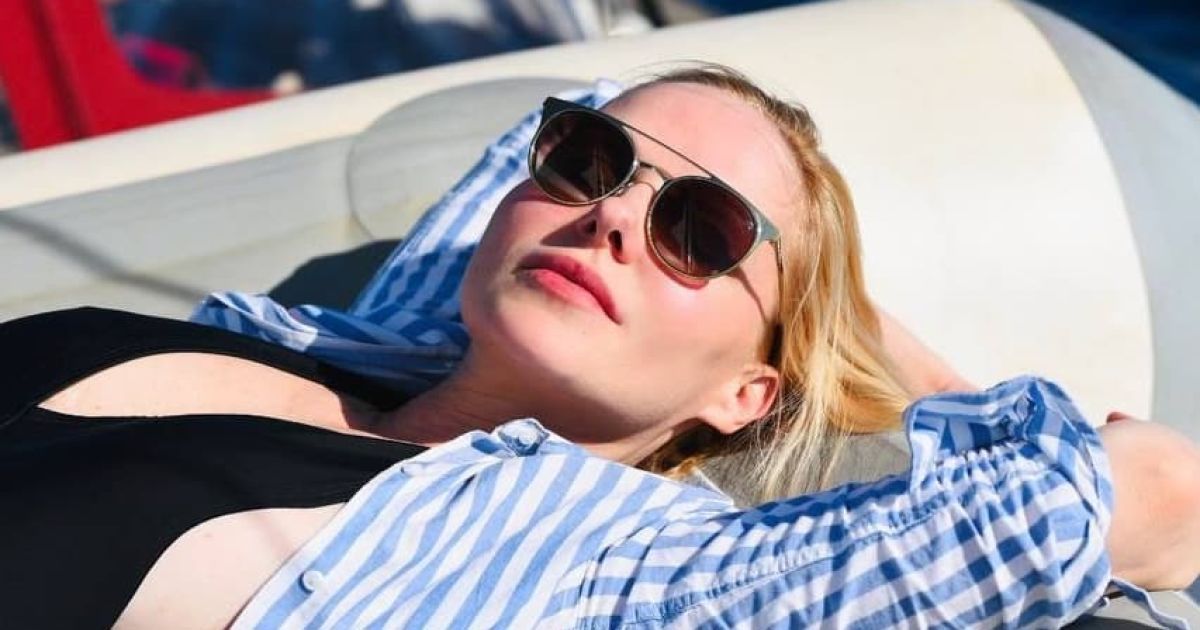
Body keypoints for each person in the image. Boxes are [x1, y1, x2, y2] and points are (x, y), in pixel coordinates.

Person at [1, 64, 1197, 629]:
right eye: (591, 165)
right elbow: (592, 91)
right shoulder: (353, 344)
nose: (615, 218)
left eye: (702, 233)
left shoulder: (609, 578)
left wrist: (893, 367)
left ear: (750, 391)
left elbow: (1101, 503)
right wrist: (766, 264)